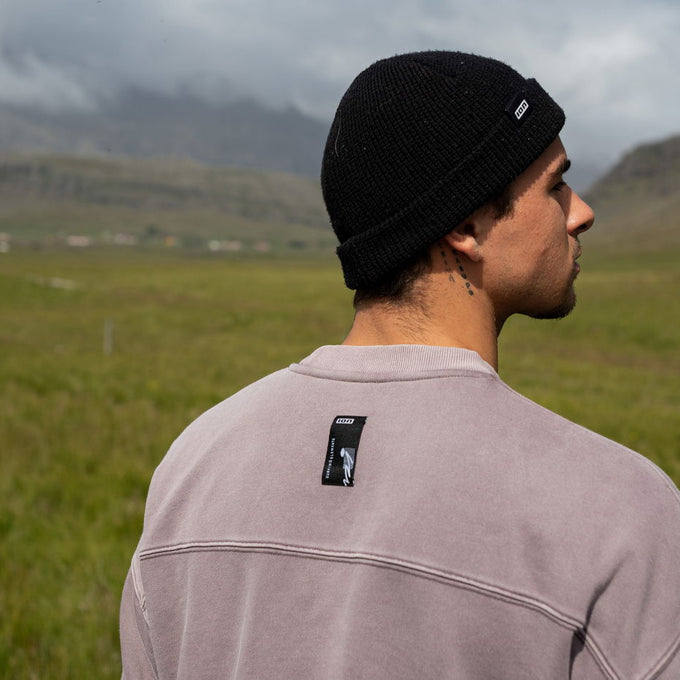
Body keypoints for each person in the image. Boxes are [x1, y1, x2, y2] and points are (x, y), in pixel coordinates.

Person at [120, 51, 680, 679]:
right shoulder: (617, 510)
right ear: (466, 226)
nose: (581, 212)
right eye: (555, 186)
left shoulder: (192, 468)